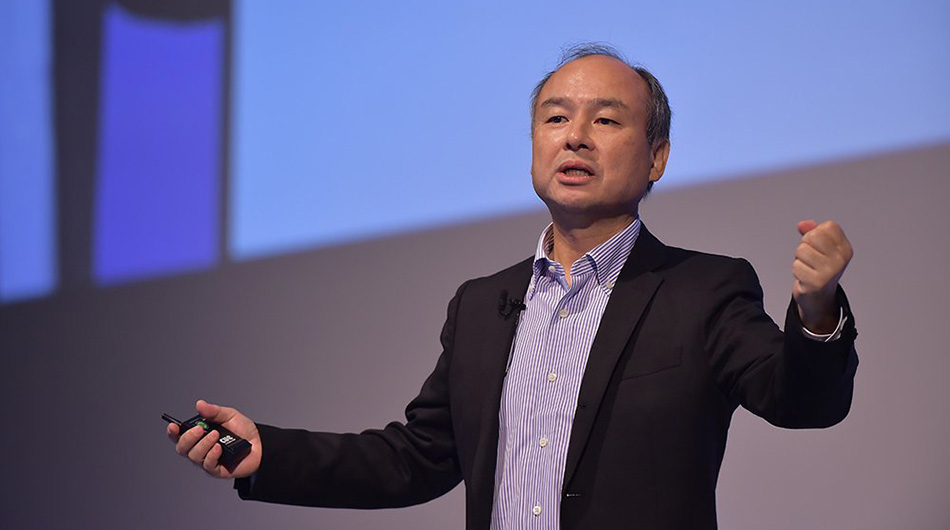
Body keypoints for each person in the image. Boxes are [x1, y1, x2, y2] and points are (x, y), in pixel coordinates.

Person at [167, 44, 857, 529]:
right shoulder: (481, 305)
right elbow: (419, 459)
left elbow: (799, 400)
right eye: (556, 118)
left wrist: (817, 310)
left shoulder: (702, 289)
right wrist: (270, 454)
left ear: (657, 158)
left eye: (606, 120)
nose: (575, 137)